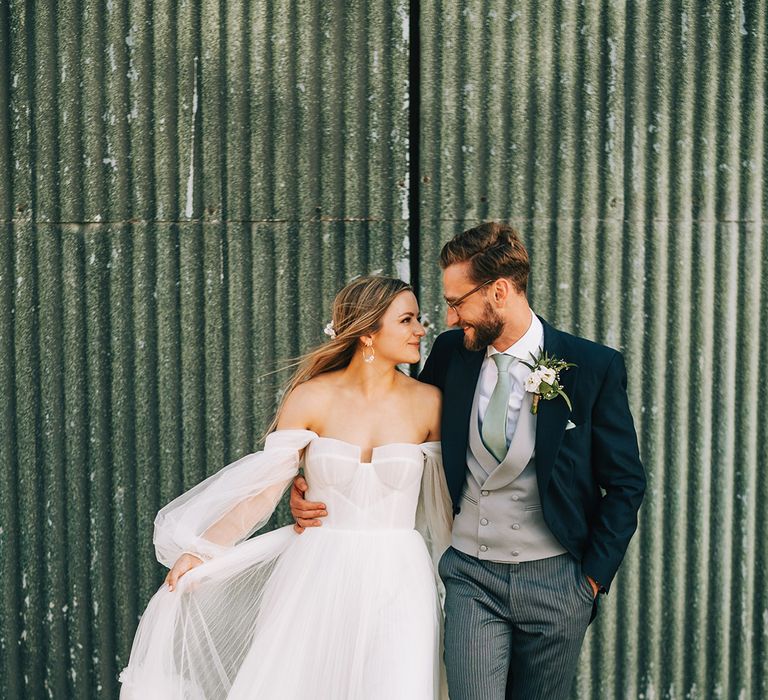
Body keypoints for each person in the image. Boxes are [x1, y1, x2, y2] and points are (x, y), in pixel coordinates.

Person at [291, 223, 646, 699]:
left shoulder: (593, 367)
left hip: (558, 583)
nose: (451, 317)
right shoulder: (450, 357)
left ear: (498, 291)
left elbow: (625, 483)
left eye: (457, 302)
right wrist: (319, 481)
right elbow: (396, 424)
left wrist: (590, 582)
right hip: (470, 580)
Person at [118, 276, 453, 700]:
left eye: (417, 319)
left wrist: (462, 583)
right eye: (406, 320)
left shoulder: (429, 402)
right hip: (318, 572)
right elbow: (263, 489)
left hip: (401, 578)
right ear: (368, 332)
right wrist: (201, 550)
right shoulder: (310, 398)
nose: (421, 330)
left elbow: (443, 509)